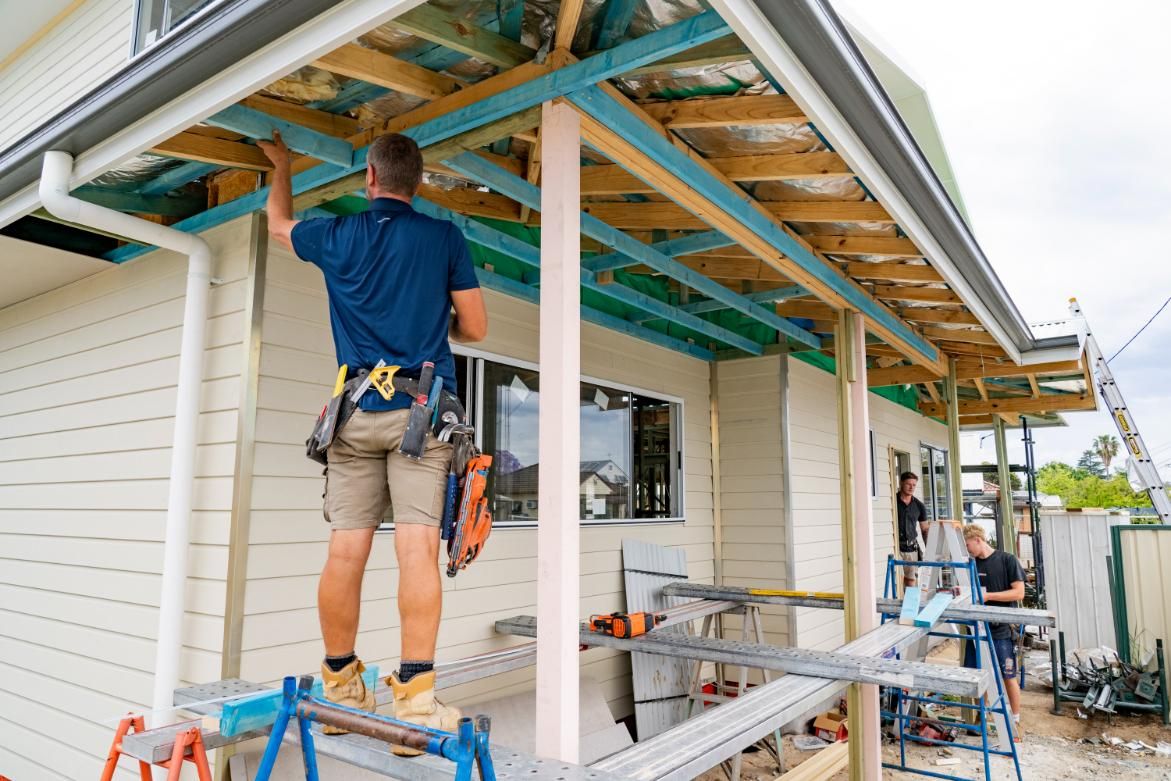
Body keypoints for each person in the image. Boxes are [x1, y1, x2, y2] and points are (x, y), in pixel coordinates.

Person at [258, 130, 488, 748]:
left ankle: (341, 685)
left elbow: (278, 223)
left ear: (369, 178)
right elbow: (477, 327)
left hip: (354, 413)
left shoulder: (338, 236)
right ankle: (413, 703)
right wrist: (443, 331)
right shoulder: (443, 238)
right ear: (418, 183)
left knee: (344, 553)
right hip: (421, 413)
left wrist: (282, 164)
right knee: (413, 552)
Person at [962, 523, 1025, 735]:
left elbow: (1018, 593)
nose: (968, 550)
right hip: (977, 628)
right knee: (980, 674)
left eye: (969, 545)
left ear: (978, 540)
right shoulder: (971, 565)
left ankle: (1015, 721)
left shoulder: (1007, 560)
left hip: (1001, 630)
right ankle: (983, 715)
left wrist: (988, 597)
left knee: (1008, 675)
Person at [896, 471, 930, 587]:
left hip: (911, 548)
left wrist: (929, 551)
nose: (911, 487)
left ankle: (909, 605)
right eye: (908, 484)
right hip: (895, 547)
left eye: (914, 485)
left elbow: (925, 529)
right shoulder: (893, 502)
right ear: (901, 483)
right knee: (898, 579)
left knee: (910, 581)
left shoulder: (919, 506)